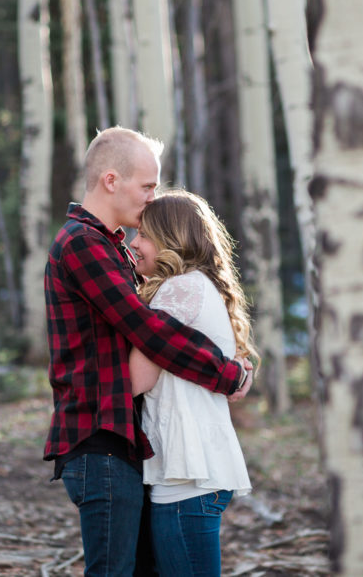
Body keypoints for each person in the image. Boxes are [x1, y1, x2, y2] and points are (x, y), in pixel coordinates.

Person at [43, 128, 254, 576]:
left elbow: (158, 330)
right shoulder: (83, 244)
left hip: (122, 442)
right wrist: (226, 373)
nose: (152, 196)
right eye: (147, 186)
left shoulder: (110, 246)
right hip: (99, 439)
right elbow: (150, 330)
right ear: (111, 180)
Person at [127, 190, 258, 577]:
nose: (134, 243)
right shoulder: (198, 285)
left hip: (187, 480)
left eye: (144, 235)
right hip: (193, 475)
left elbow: (137, 380)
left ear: (172, 239)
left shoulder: (178, 289)